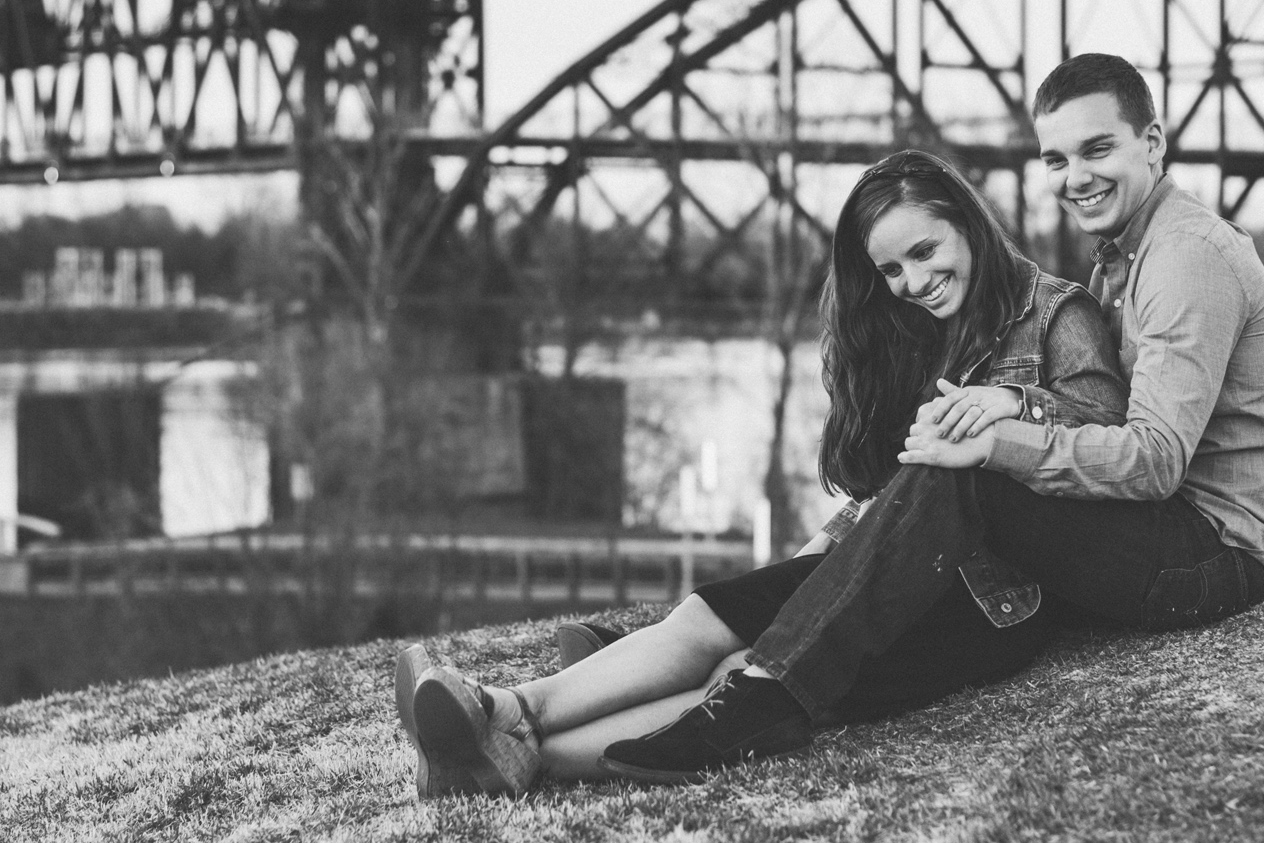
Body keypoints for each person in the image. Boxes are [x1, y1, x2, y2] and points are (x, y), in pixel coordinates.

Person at [395, 147, 1128, 796]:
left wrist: (1014, 403)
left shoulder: (1058, 315)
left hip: (993, 601)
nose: (914, 281)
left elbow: (1108, 435)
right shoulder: (932, 330)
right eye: (891, 270)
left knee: (749, 670)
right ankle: (511, 711)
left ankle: (521, 750)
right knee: (710, 613)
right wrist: (806, 566)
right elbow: (895, 493)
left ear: (969, 223)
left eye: (925, 251)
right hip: (896, 563)